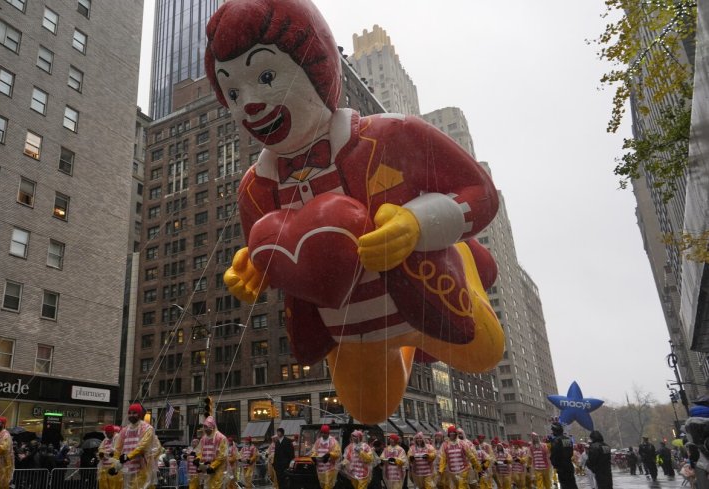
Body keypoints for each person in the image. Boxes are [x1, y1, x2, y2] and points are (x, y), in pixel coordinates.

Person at [207, 0, 503, 424]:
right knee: (367, 411)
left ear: (316, 64)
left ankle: (465, 264)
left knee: (484, 352)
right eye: (233, 92)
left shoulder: (392, 135)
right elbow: (270, 249)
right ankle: (397, 348)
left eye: (267, 77)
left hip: (426, 292)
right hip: (349, 327)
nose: (249, 104)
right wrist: (254, 267)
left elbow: (480, 193)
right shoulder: (255, 189)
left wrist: (417, 223)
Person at [115, 404, 161, 489]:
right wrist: (116, 465)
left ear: (139, 414)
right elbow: (117, 448)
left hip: (142, 469)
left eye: (134, 413)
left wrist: (128, 457)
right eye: (129, 413)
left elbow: (142, 446)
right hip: (127, 470)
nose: (131, 415)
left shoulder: (147, 428)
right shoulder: (124, 430)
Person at [198, 417, 228, 489]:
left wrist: (213, 466)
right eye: (204, 427)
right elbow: (200, 451)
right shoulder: (203, 439)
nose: (205, 430)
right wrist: (198, 459)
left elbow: (222, 455)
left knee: (216, 486)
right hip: (207, 469)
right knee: (207, 486)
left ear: (212, 427)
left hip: (218, 470)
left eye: (207, 427)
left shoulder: (221, 438)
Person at [548, 423, 576, 489]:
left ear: (555, 431)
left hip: (561, 467)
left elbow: (554, 455)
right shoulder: (568, 439)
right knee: (572, 484)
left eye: (553, 431)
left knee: (565, 485)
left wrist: (556, 465)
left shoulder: (556, 441)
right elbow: (571, 452)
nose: (552, 433)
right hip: (569, 465)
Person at [98, 425, 123, 489]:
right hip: (105, 468)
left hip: (114, 468)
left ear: (112, 432)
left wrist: (106, 454)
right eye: (106, 433)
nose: (107, 435)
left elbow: (115, 452)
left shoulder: (118, 438)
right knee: (105, 485)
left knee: (114, 485)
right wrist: (101, 454)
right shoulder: (105, 440)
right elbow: (100, 449)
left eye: (108, 433)